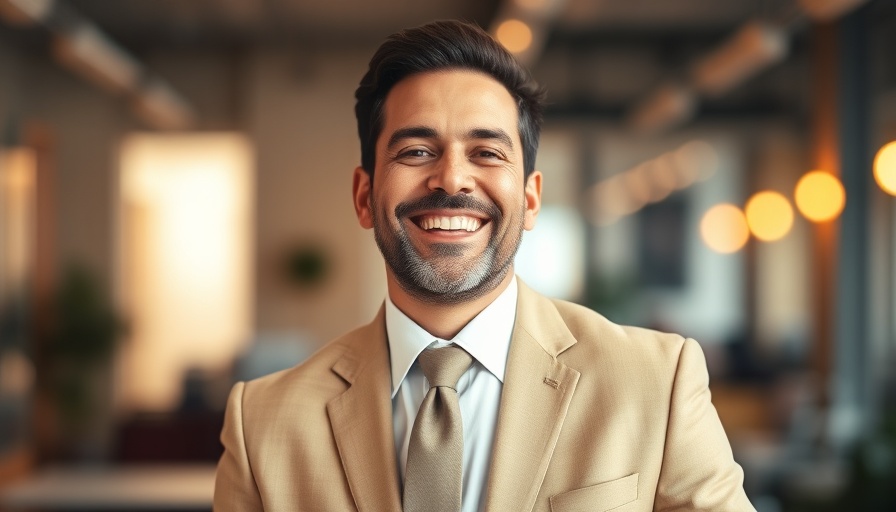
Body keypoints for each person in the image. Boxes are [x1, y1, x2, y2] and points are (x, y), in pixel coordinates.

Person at [214, 20, 756, 512]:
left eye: (487, 153)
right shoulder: (262, 422)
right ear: (363, 196)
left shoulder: (657, 382)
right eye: (416, 151)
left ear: (531, 200)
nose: (451, 180)